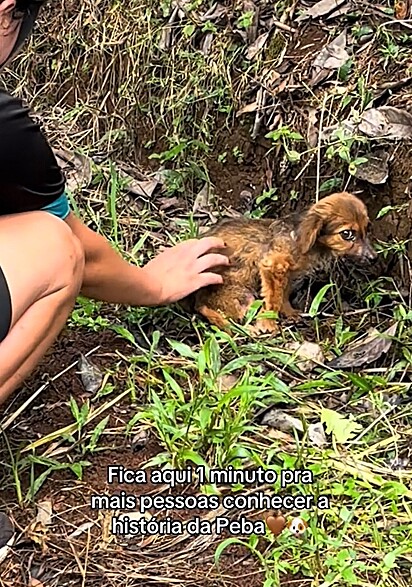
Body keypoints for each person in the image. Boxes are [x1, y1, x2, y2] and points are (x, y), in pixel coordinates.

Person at [0, 0, 228, 559]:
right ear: (7, 15)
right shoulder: (5, 126)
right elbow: (74, 245)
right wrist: (152, 285)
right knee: (52, 250)